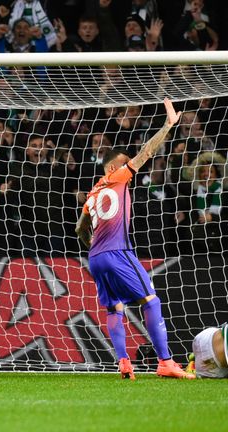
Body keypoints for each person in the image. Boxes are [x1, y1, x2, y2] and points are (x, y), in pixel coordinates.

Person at [75, 98, 195, 380]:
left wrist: (92, 245)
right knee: (151, 301)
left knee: (114, 306)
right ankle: (165, 362)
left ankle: (124, 363)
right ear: (110, 168)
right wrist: (168, 126)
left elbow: (79, 228)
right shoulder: (117, 178)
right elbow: (146, 152)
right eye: (123, 164)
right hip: (117, 252)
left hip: (96, 258)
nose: (129, 166)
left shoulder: (92, 194)